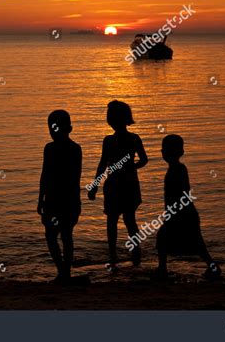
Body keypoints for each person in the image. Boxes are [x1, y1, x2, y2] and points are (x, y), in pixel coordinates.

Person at [88, 100, 148, 270]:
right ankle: (135, 253)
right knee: (130, 220)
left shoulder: (109, 141)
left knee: (113, 221)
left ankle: (113, 254)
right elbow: (143, 160)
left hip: (116, 185)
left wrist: (95, 185)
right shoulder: (134, 139)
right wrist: (132, 166)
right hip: (128, 184)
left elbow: (102, 165)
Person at [155, 134, 221, 279]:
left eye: (165, 150)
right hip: (183, 212)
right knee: (193, 242)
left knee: (166, 239)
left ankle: (162, 269)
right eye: (164, 149)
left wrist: (174, 212)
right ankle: (211, 266)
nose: (163, 152)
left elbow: (181, 193)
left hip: (183, 212)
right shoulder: (176, 168)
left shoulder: (178, 169)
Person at [37, 110, 82, 283]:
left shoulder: (73, 149)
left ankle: (64, 272)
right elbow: (44, 175)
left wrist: (43, 199)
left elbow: (74, 177)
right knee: (55, 235)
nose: (53, 131)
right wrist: (41, 199)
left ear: (69, 128)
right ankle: (63, 270)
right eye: (51, 127)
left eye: (56, 127)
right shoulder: (50, 148)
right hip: (56, 201)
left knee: (62, 235)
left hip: (64, 201)